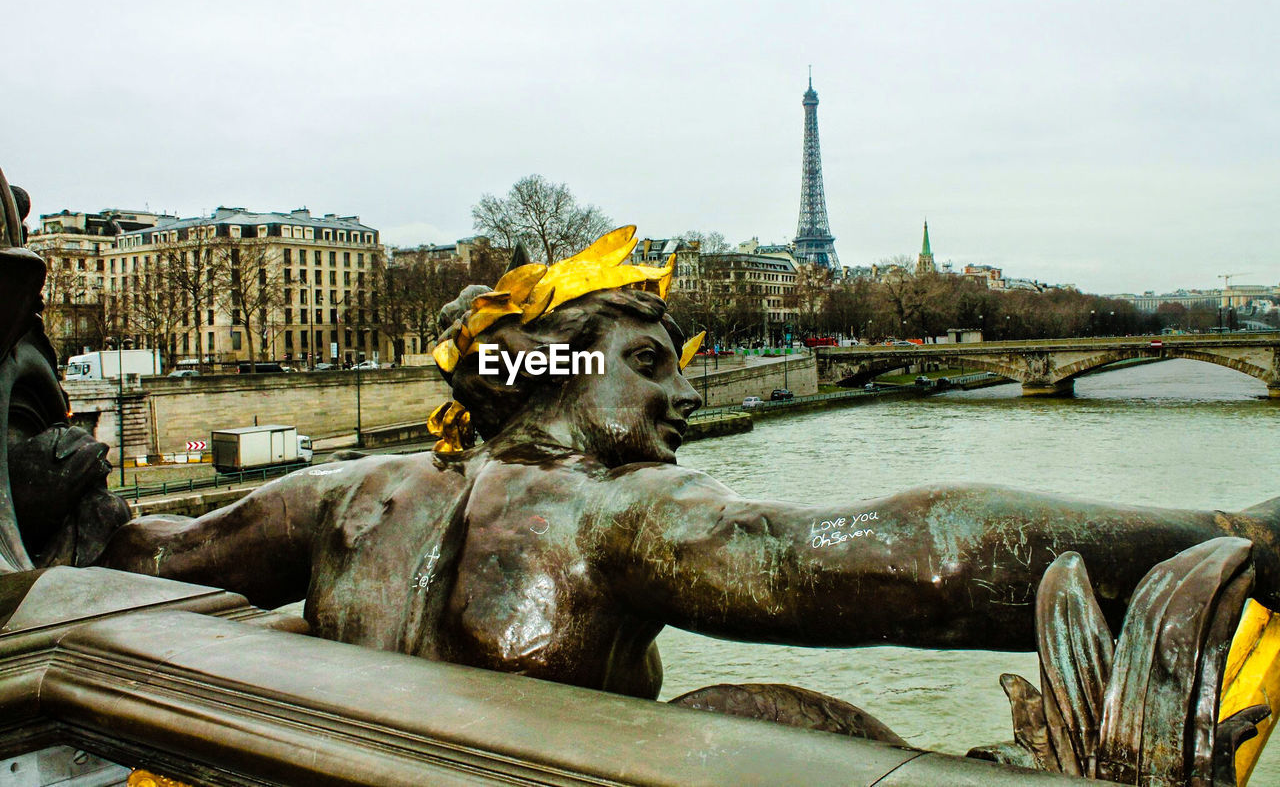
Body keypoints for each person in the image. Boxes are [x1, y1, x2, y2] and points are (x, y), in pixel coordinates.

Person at [100, 227, 1280, 700]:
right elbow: (911, 556)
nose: (677, 391)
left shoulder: (340, 497)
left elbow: (143, 551)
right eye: (651, 358)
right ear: (557, 366)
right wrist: (1232, 532)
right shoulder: (607, 516)